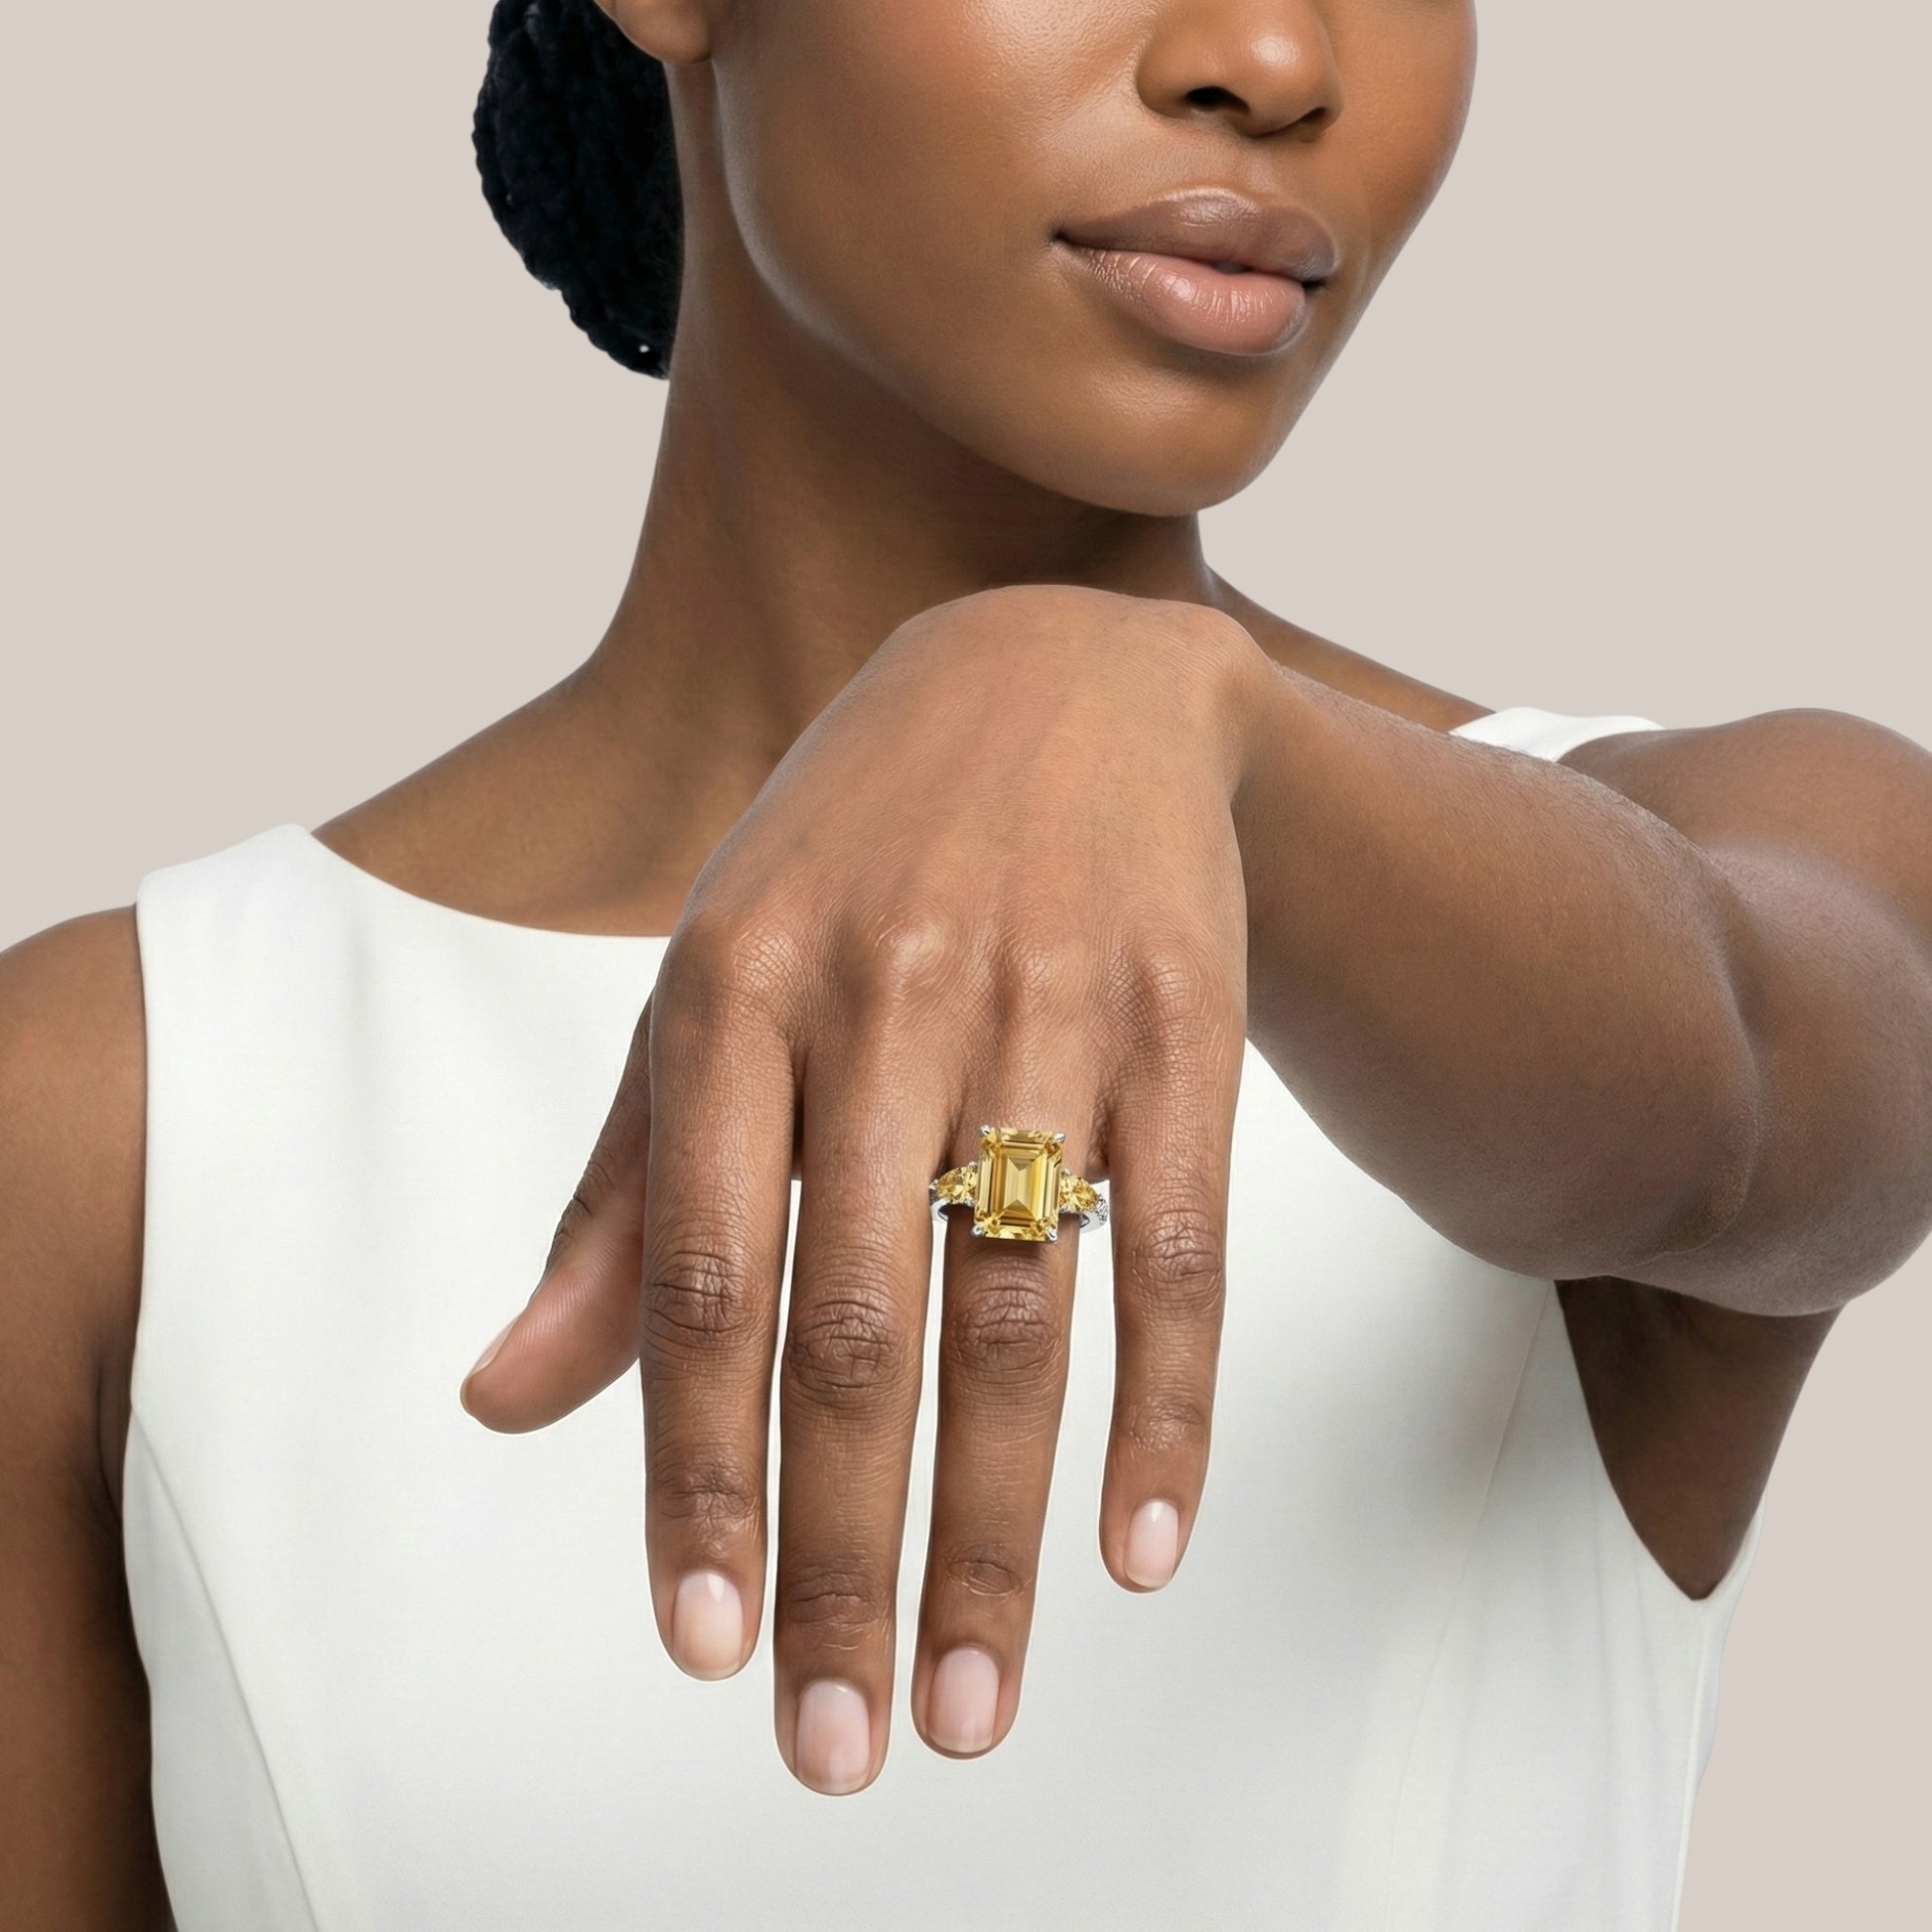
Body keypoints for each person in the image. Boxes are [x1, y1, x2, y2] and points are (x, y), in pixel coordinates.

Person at [3, 0, 1929, 1925]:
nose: (1271, 53)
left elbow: (1749, 1091)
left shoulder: (1734, 865)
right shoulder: (120, 1115)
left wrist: (1177, 719)